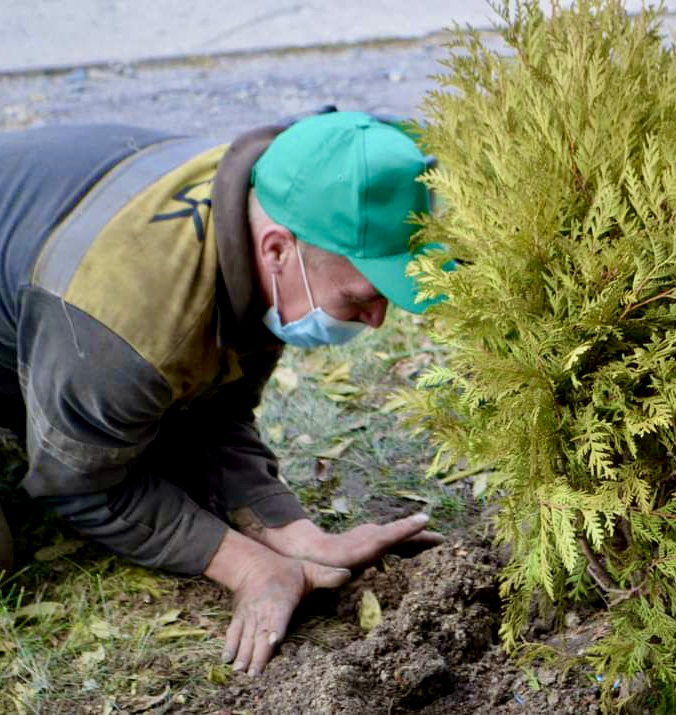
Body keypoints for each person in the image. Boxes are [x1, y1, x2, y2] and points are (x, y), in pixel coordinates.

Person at [0, 110, 445, 676]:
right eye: (362, 295)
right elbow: (81, 485)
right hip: (75, 310)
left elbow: (213, 410)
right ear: (278, 251)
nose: (377, 319)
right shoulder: (128, 327)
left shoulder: (269, 207)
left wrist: (290, 530)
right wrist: (247, 567)